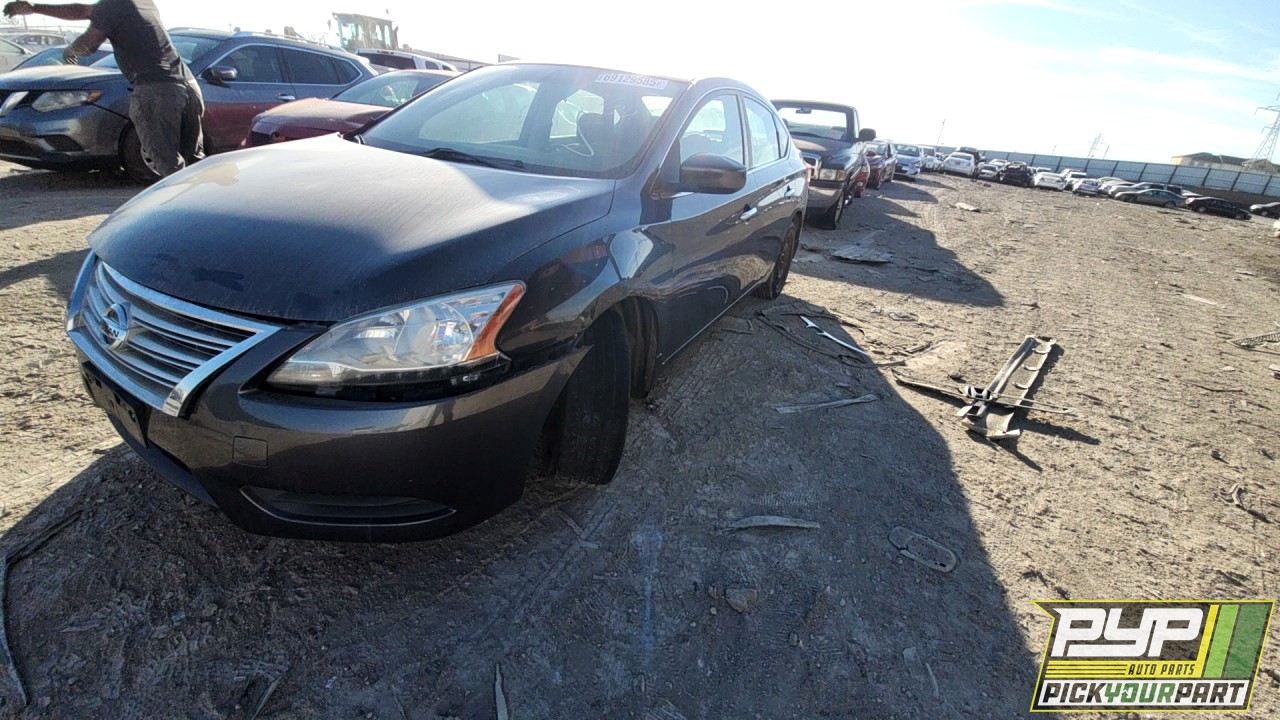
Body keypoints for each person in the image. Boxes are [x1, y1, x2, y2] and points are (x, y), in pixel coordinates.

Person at [2, 0, 203, 178]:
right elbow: (83, 10)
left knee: (167, 164)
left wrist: (71, 49)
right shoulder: (140, 3)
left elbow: (88, 45)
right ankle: (205, 207)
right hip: (188, 84)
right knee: (195, 161)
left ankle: (183, 214)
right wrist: (35, 8)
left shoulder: (113, 5)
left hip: (157, 89)